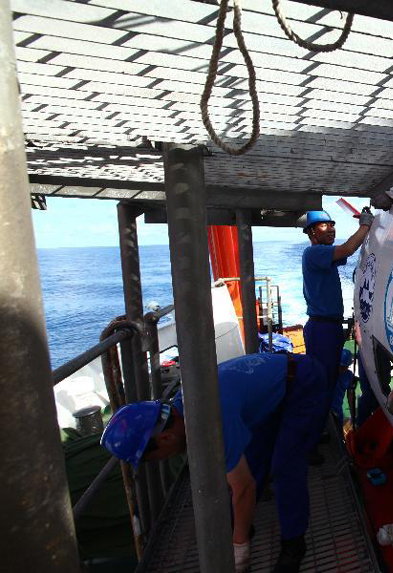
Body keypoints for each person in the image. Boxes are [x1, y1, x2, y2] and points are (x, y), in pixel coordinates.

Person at [101, 353, 329, 573]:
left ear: (166, 438)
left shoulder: (210, 421)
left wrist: (240, 550)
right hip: (277, 385)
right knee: (254, 457)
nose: (161, 460)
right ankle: (242, 525)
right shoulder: (185, 405)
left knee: (285, 466)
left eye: (153, 458)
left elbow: (243, 488)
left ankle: (293, 543)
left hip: (303, 382)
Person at [299, 209, 373, 435]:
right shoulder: (313, 254)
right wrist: (366, 225)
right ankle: (318, 433)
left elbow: (346, 254)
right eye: (324, 226)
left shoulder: (322, 257)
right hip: (322, 328)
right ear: (312, 231)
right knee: (322, 382)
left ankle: (322, 427)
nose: (331, 229)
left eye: (333, 225)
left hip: (327, 327)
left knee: (328, 380)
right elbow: (348, 249)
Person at [331, 348, 354, 431]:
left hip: (338, 409)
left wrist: (352, 414)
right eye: (340, 366)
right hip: (327, 410)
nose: (341, 369)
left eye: (344, 367)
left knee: (338, 429)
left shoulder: (349, 376)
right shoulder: (329, 372)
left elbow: (350, 396)